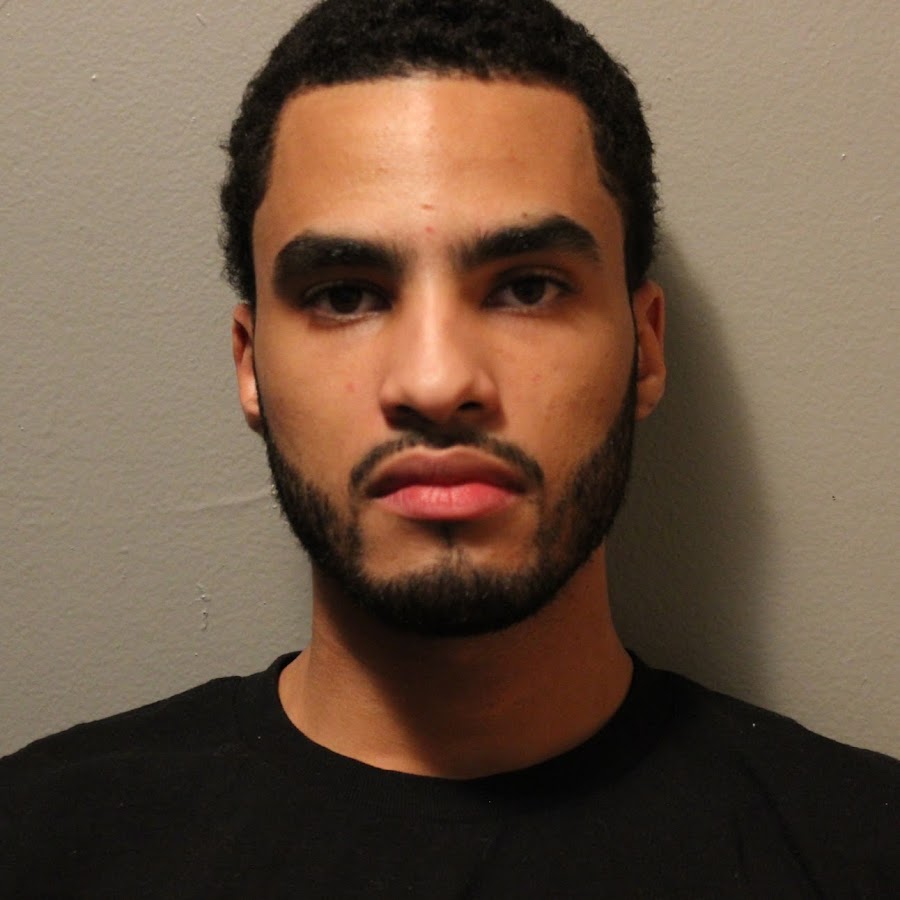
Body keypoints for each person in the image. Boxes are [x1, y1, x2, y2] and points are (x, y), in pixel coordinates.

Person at [2, 0, 897, 896]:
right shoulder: (36, 844)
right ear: (250, 367)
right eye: (345, 296)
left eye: (529, 288)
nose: (434, 383)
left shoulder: (863, 850)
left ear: (646, 348)